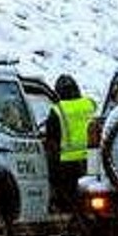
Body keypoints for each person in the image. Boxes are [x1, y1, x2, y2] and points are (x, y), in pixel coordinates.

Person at [45, 74, 97, 212]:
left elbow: (51, 139)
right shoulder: (90, 104)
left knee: (70, 200)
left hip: (67, 163)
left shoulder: (57, 110)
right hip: (92, 160)